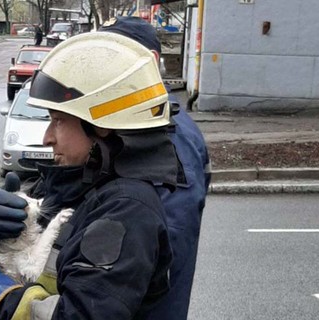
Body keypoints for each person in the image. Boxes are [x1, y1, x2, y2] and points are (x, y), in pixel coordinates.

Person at [0, 31, 181, 319]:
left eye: (59, 122)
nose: (46, 138)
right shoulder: (67, 182)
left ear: (101, 125)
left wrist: (0, 300)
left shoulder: (128, 212)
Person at [99, 16, 211, 320]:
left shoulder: (170, 136)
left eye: (116, 57)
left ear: (150, 61)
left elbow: (166, 243)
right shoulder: (135, 123)